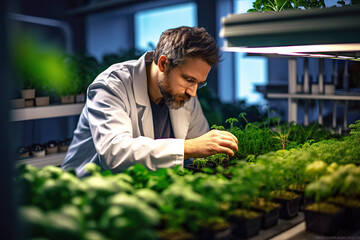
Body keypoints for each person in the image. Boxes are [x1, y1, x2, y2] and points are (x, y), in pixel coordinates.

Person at [62, 26, 238, 177]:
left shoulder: (184, 92)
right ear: (163, 64)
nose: (192, 92)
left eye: (199, 83)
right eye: (189, 80)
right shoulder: (111, 86)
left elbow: (202, 146)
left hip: (140, 191)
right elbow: (114, 153)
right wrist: (188, 147)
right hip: (91, 193)